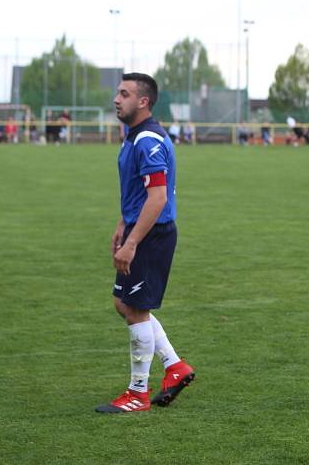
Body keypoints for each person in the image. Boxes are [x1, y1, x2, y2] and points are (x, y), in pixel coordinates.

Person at [95, 72, 195, 414]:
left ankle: (137, 393)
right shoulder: (133, 136)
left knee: (135, 308)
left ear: (143, 101)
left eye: (124, 93)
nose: (116, 99)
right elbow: (137, 192)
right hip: (141, 228)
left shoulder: (147, 140)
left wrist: (133, 241)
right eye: (117, 92)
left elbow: (157, 197)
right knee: (124, 303)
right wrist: (123, 225)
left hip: (152, 234)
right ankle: (175, 366)